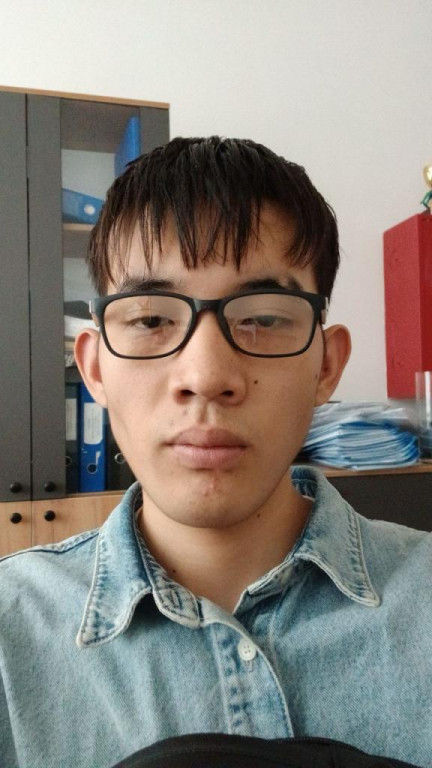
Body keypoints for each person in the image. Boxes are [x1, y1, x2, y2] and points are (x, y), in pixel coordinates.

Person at [0, 136, 430, 768]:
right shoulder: (10, 635)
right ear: (94, 369)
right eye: (151, 320)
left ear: (326, 366)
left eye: (263, 317)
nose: (205, 376)